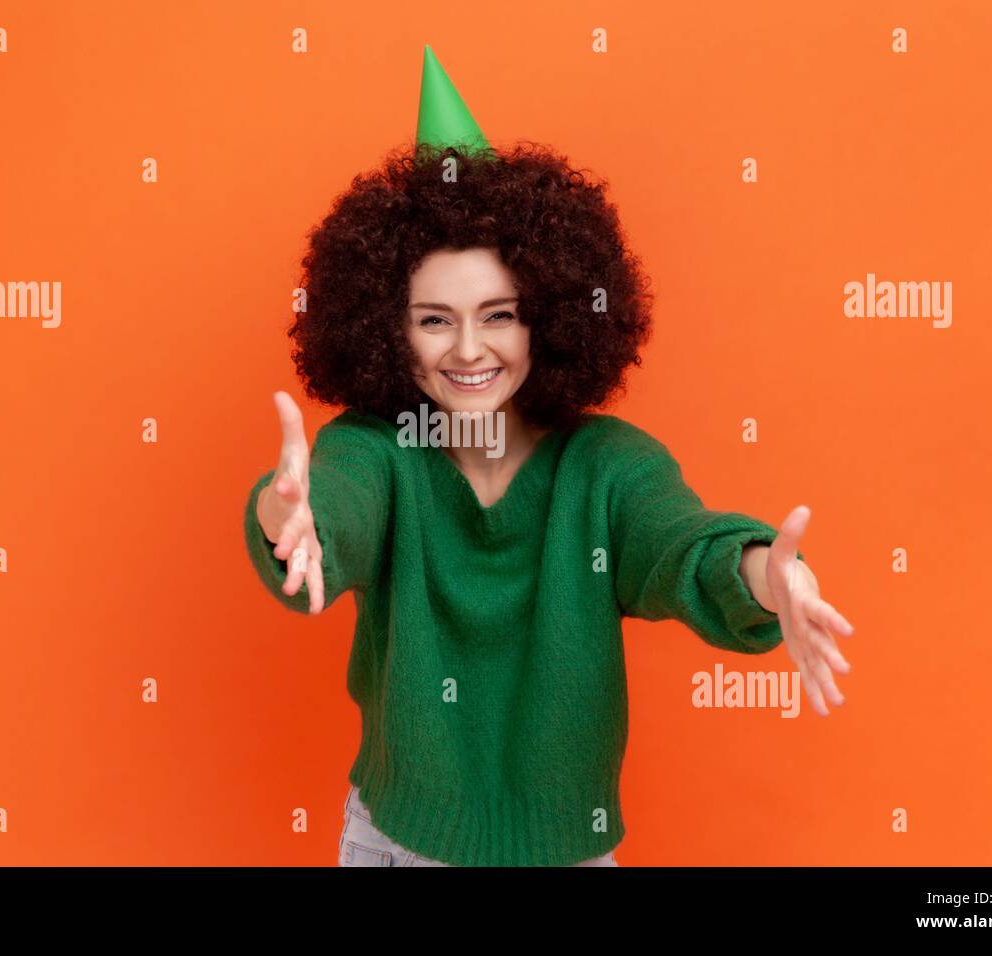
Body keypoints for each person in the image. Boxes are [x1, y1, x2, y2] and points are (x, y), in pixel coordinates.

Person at [244, 47, 854, 867]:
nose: (469, 349)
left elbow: (679, 543)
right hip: (392, 844)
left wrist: (762, 574)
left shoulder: (606, 467)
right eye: (434, 320)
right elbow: (331, 508)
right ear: (387, 330)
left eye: (499, 314)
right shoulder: (376, 451)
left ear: (550, 316)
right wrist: (289, 514)